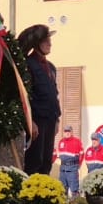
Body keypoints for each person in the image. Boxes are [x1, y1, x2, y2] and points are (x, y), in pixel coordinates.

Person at [18, 24, 59, 175]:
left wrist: (57, 119)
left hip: (50, 118)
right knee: (35, 160)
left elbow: (54, 94)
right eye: (46, 41)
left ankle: (44, 195)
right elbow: (25, 95)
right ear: (36, 44)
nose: (50, 44)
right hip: (37, 120)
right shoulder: (28, 65)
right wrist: (31, 121)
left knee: (47, 160)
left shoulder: (51, 67)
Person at [56, 126, 84, 198]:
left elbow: (82, 154)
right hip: (63, 169)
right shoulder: (61, 142)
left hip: (72, 169)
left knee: (74, 190)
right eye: (65, 131)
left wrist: (79, 165)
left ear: (72, 132)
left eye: (69, 131)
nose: (67, 133)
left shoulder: (77, 141)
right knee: (62, 189)